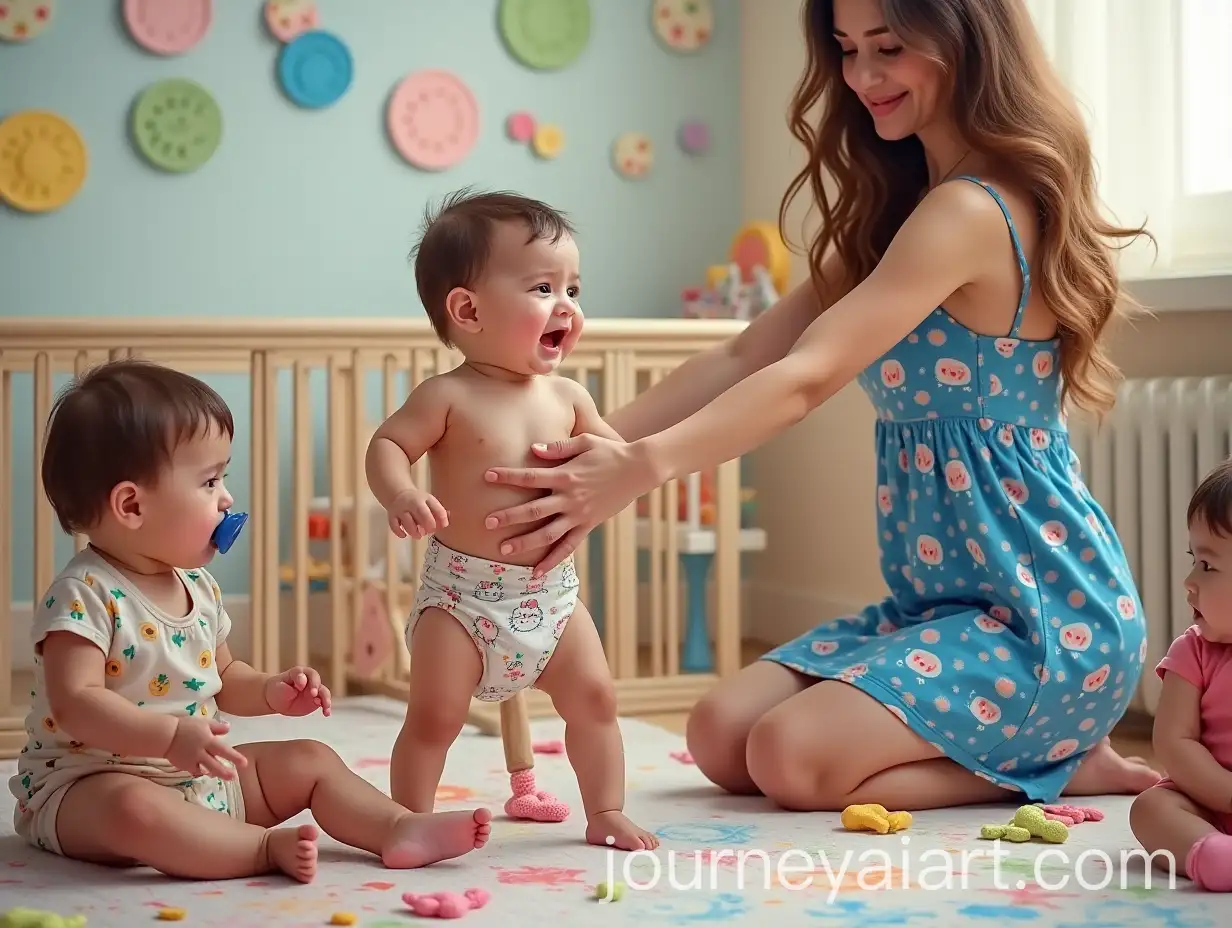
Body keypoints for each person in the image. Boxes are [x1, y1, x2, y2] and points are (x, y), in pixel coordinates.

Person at [478, 0, 1163, 811]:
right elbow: (742, 355)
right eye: (846, 49)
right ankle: (1033, 751)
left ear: (966, 41)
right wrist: (569, 456)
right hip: (937, 611)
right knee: (720, 735)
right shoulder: (902, 217)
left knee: (790, 760)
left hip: (1044, 619)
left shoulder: (971, 211)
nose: (863, 76)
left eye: (889, 47)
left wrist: (640, 471)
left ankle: (1056, 764)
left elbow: (806, 378)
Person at [9, 359, 492, 882]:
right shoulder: (84, 595)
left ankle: (397, 827)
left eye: (225, 477)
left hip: (196, 778)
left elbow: (223, 677)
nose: (227, 498)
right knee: (134, 809)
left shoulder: (198, 587)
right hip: (86, 789)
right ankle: (259, 849)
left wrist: (270, 691)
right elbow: (76, 703)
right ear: (131, 504)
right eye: (210, 481)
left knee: (310, 759)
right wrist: (170, 738)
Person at [365, 189, 658, 851]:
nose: (567, 306)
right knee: (434, 718)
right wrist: (400, 493)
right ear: (467, 310)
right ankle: (403, 820)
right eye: (543, 287)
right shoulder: (447, 395)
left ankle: (605, 810)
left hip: (550, 596)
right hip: (460, 602)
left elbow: (620, 458)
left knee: (596, 701)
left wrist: (626, 465)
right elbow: (386, 445)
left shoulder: (569, 396)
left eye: (574, 288)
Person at [1130, 459, 1232, 892]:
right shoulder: (1192, 651)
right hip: (1206, 801)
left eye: (1208, 567)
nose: (1188, 581)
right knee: (1151, 808)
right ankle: (1212, 855)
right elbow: (1174, 742)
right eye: (1195, 560)